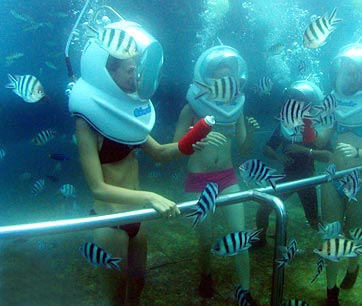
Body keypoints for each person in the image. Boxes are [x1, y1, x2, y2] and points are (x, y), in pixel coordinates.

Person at [68, 21, 216, 305]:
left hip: (139, 218)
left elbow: (159, 152)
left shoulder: (125, 114)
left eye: (137, 69)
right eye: (129, 70)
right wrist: (150, 196)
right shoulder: (85, 122)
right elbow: (98, 188)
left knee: (138, 286)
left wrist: (188, 145)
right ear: (107, 73)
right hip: (110, 220)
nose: (136, 76)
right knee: (115, 297)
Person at [173, 45, 260, 304]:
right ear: (208, 78)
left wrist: (252, 134)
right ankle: (205, 275)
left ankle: (245, 290)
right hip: (198, 179)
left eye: (230, 76)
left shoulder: (237, 109)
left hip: (227, 177)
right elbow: (176, 146)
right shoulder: (191, 108)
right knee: (205, 239)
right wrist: (194, 142)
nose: (225, 81)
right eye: (220, 76)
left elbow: (243, 147)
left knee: (240, 233)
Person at [320, 43, 362, 306]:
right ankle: (331, 292)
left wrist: (358, 150)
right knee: (331, 235)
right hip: (333, 179)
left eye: (357, 72)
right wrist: (307, 127)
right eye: (347, 70)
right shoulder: (335, 104)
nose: (351, 76)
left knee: (352, 233)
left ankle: (353, 266)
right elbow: (321, 140)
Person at [254, 80, 333, 247]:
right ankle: (260, 240)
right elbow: (267, 147)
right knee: (264, 208)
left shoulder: (315, 128)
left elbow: (328, 156)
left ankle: (334, 241)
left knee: (313, 220)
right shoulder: (285, 124)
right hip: (288, 177)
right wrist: (279, 157)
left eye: (300, 101)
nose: (295, 105)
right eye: (292, 101)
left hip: (307, 179)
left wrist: (304, 150)